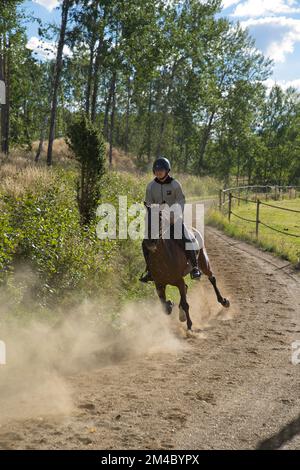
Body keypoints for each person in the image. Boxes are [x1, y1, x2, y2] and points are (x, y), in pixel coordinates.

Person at [140, 157, 202, 283]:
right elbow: (149, 203)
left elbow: (181, 201)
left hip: (174, 219)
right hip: (158, 221)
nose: (158, 172)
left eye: (161, 170)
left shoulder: (175, 184)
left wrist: (176, 214)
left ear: (167, 170)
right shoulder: (151, 186)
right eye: (156, 170)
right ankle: (150, 271)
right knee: (145, 243)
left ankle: (195, 268)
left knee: (186, 238)